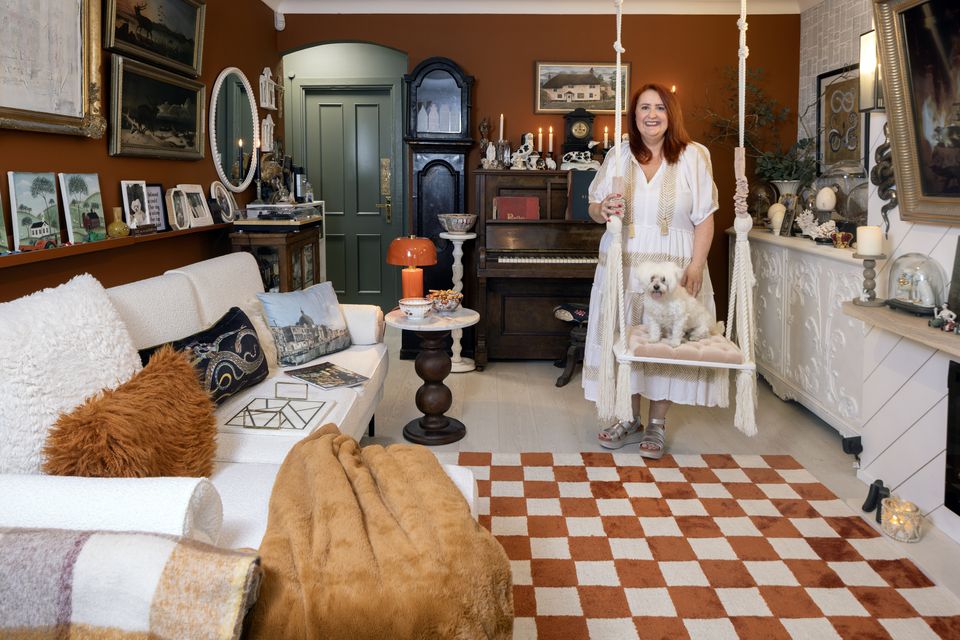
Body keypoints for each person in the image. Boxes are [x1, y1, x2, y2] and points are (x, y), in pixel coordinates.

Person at [582, 83, 724, 459]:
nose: (651, 115)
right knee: (623, 337)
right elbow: (594, 208)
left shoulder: (694, 156)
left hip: (672, 267)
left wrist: (696, 265)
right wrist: (604, 210)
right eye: (644, 107)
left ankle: (658, 424)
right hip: (623, 264)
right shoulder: (618, 155)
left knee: (663, 341)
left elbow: (706, 218)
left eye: (659, 107)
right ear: (635, 115)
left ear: (671, 114)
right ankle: (629, 419)